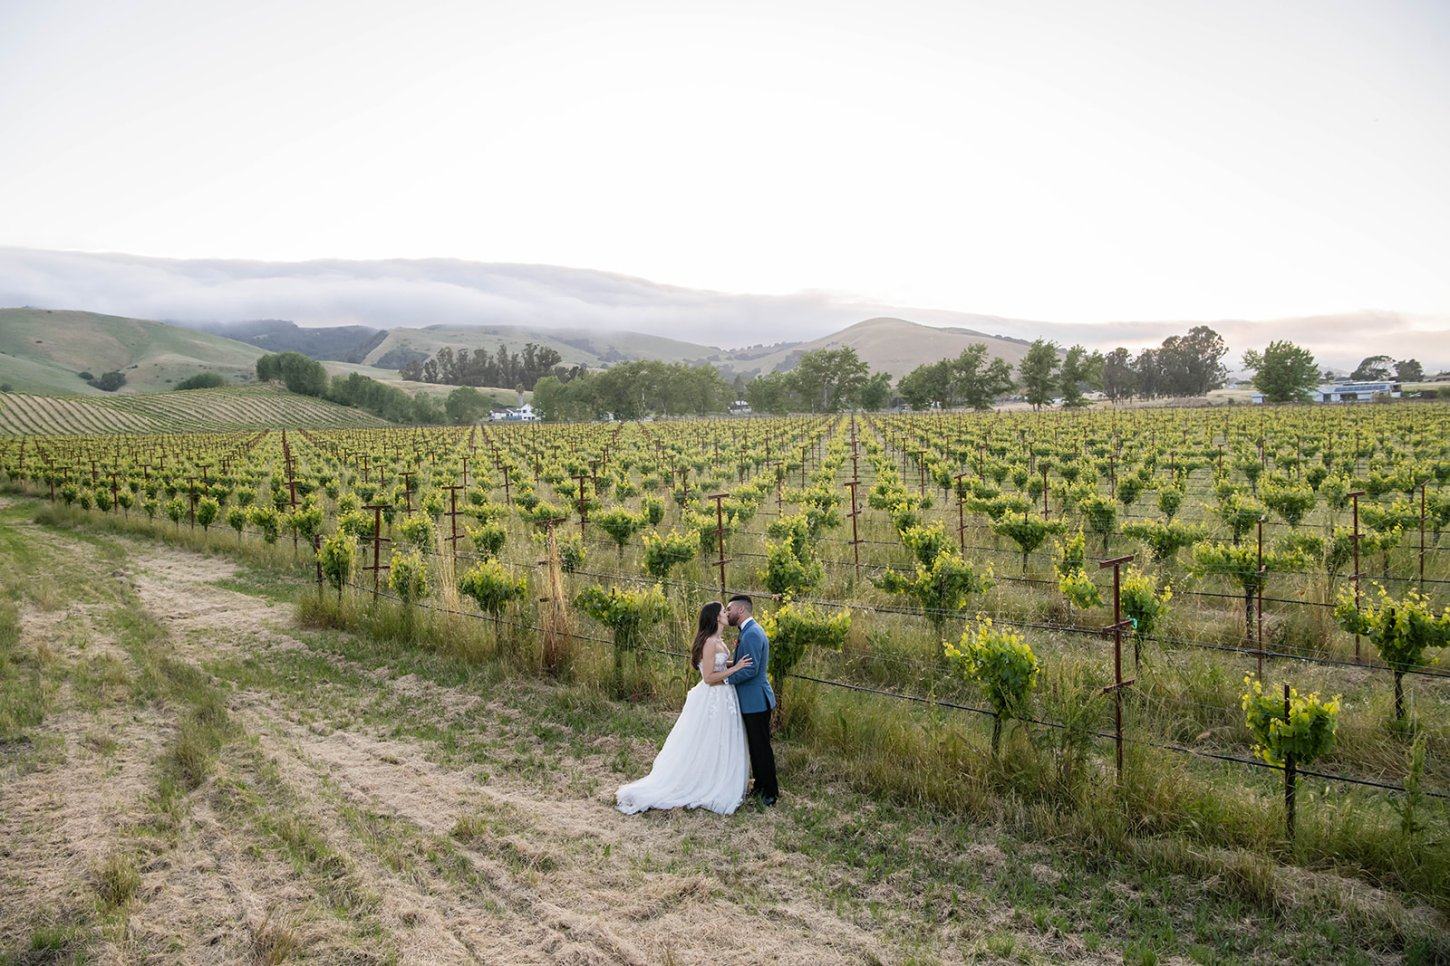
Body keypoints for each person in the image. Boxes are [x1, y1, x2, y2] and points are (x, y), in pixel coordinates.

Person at [615, 601, 753, 815]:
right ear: (716, 617)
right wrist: (735, 668)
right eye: (723, 611)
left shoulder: (717, 639)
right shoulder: (709, 642)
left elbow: (717, 664)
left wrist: (732, 664)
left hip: (724, 696)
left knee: (719, 739)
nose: (727, 613)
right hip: (713, 696)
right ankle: (701, 781)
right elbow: (709, 677)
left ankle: (716, 775)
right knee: (706, 738)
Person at [725, 594, 778, 805]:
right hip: (751, 701)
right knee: (755, 747)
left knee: (761, 748)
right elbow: (742, 663)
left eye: (729, 609)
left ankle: (770, 793)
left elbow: (751, 669)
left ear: (741, 610)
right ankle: (760, 786)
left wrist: (725, 681)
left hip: (756, 701)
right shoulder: (747, 631)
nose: (727, 613)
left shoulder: (753, 633)